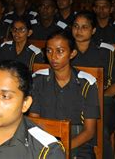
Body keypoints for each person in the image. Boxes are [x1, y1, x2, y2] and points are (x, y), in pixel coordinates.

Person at [31, 30, 100, 158]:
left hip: (78, 141)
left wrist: (61, 147)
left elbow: (89, 131)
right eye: (49, 51)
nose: (53, 56)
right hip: (45, 139)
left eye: (60, 51)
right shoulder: (38, 80)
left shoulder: (87, 84)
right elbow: (35, 122)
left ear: (72, 53)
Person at [71, 11, 115, 159]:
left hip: (104, 101)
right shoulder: (65, 51)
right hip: (72, 99)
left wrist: (99, 98)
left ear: (93, 30)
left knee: (100, 129)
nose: (79, 30)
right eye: (75, 26)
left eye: (84, 27)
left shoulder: (106, 52)